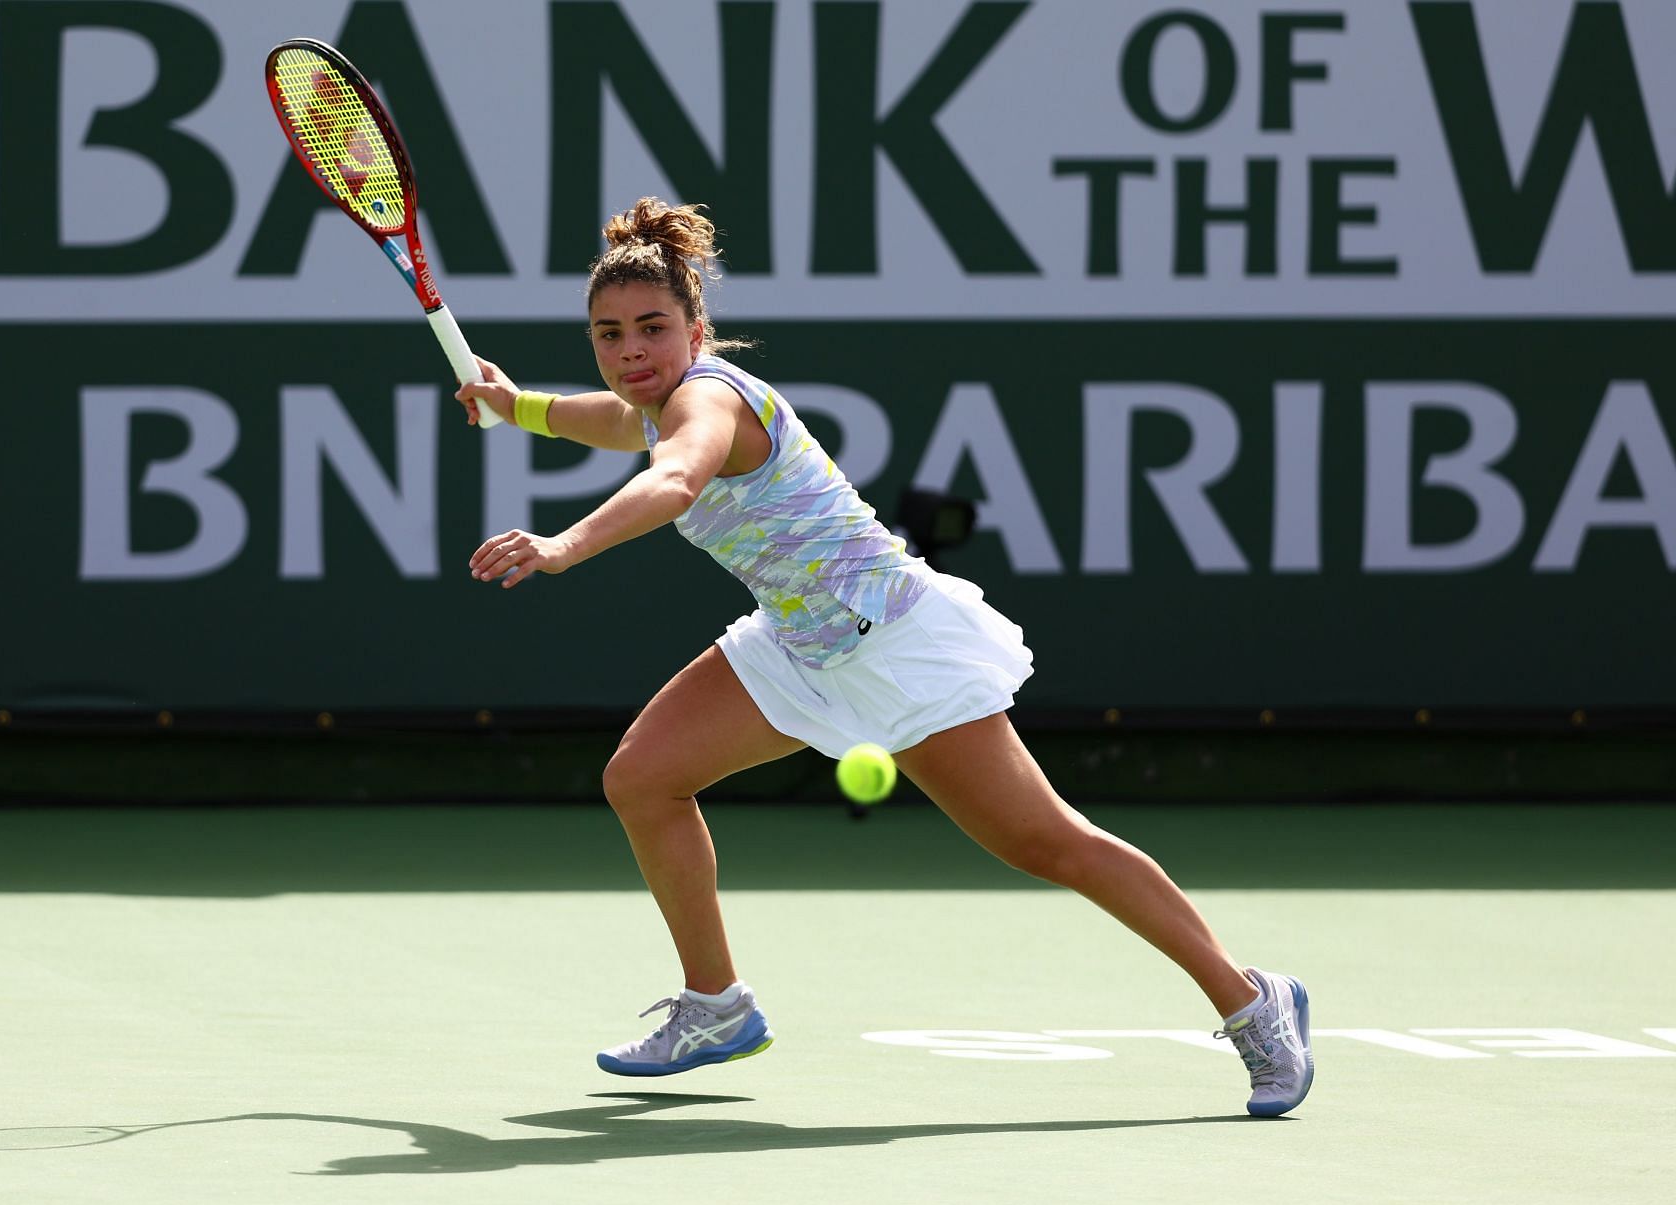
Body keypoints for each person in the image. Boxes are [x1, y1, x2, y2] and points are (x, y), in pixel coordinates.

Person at [455, 198, 1313, 1117]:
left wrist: (563, 545)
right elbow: (617, 423)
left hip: (894, 643)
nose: (631, 352)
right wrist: (521, 407)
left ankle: (1253, 1000)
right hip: (797, 642)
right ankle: (716, 1005)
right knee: (643, 778)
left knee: (1044, 840)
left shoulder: (706, 399)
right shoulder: (656, 403)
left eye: (653, 329)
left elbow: (670, 477)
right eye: (609, 333)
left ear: (697, 330)